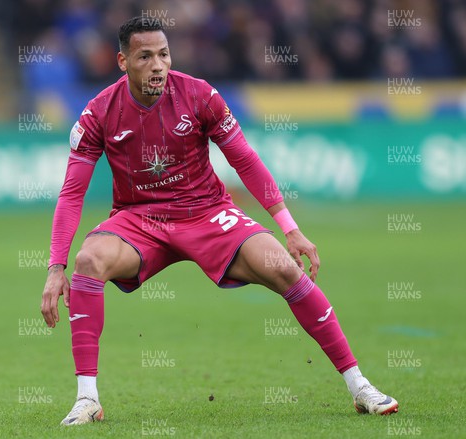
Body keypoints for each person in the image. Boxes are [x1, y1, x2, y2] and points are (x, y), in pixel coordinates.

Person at [40, 16, 398, 426]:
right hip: (139, 219)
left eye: (164, 54)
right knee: (89, 260)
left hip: (206, 212)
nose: (158, 65)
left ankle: (359, 385)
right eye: (145, 57)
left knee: (284, 266)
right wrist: (56, 268)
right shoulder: (98, 113)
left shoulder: (199, 95)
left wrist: (290, 228)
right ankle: (88, 398)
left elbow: (244, 158)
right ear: (123, 61)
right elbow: (71, 194)